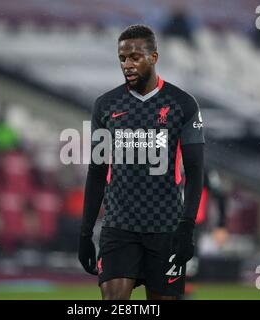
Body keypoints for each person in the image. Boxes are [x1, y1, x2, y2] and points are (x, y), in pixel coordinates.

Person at [78, 25, 204, 300]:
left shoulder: (182, 104)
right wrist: (85, 233)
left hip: (166, 228)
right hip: (119, 227)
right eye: (123, 58)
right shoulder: (106, 105)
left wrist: (186, 227)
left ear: (154, 57)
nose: (127, 64)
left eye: (135, 57)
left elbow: (195, 171)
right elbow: (97, 172)